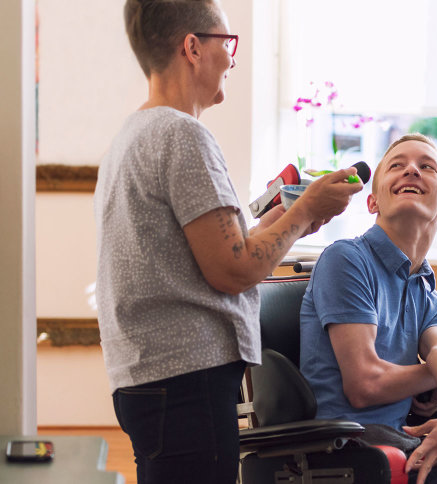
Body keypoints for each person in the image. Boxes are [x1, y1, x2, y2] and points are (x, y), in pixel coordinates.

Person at [94, 1, 363, 483]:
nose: (233, 59)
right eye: (228, 43)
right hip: (186, 384)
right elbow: (234, 269)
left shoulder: (134, 134)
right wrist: (303, 211)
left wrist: (290, 218)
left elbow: (211, 255)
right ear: (193, 47)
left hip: (151, 380)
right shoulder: (183, 136)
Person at [300, 134, 437, 484]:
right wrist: (436, 372)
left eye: (426, 166)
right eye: (397, 165)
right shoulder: (346, 259)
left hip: (403, 439)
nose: (411, 171)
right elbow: (364, 384)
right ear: (373, 202)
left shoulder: (425, 292)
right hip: (353, 449)